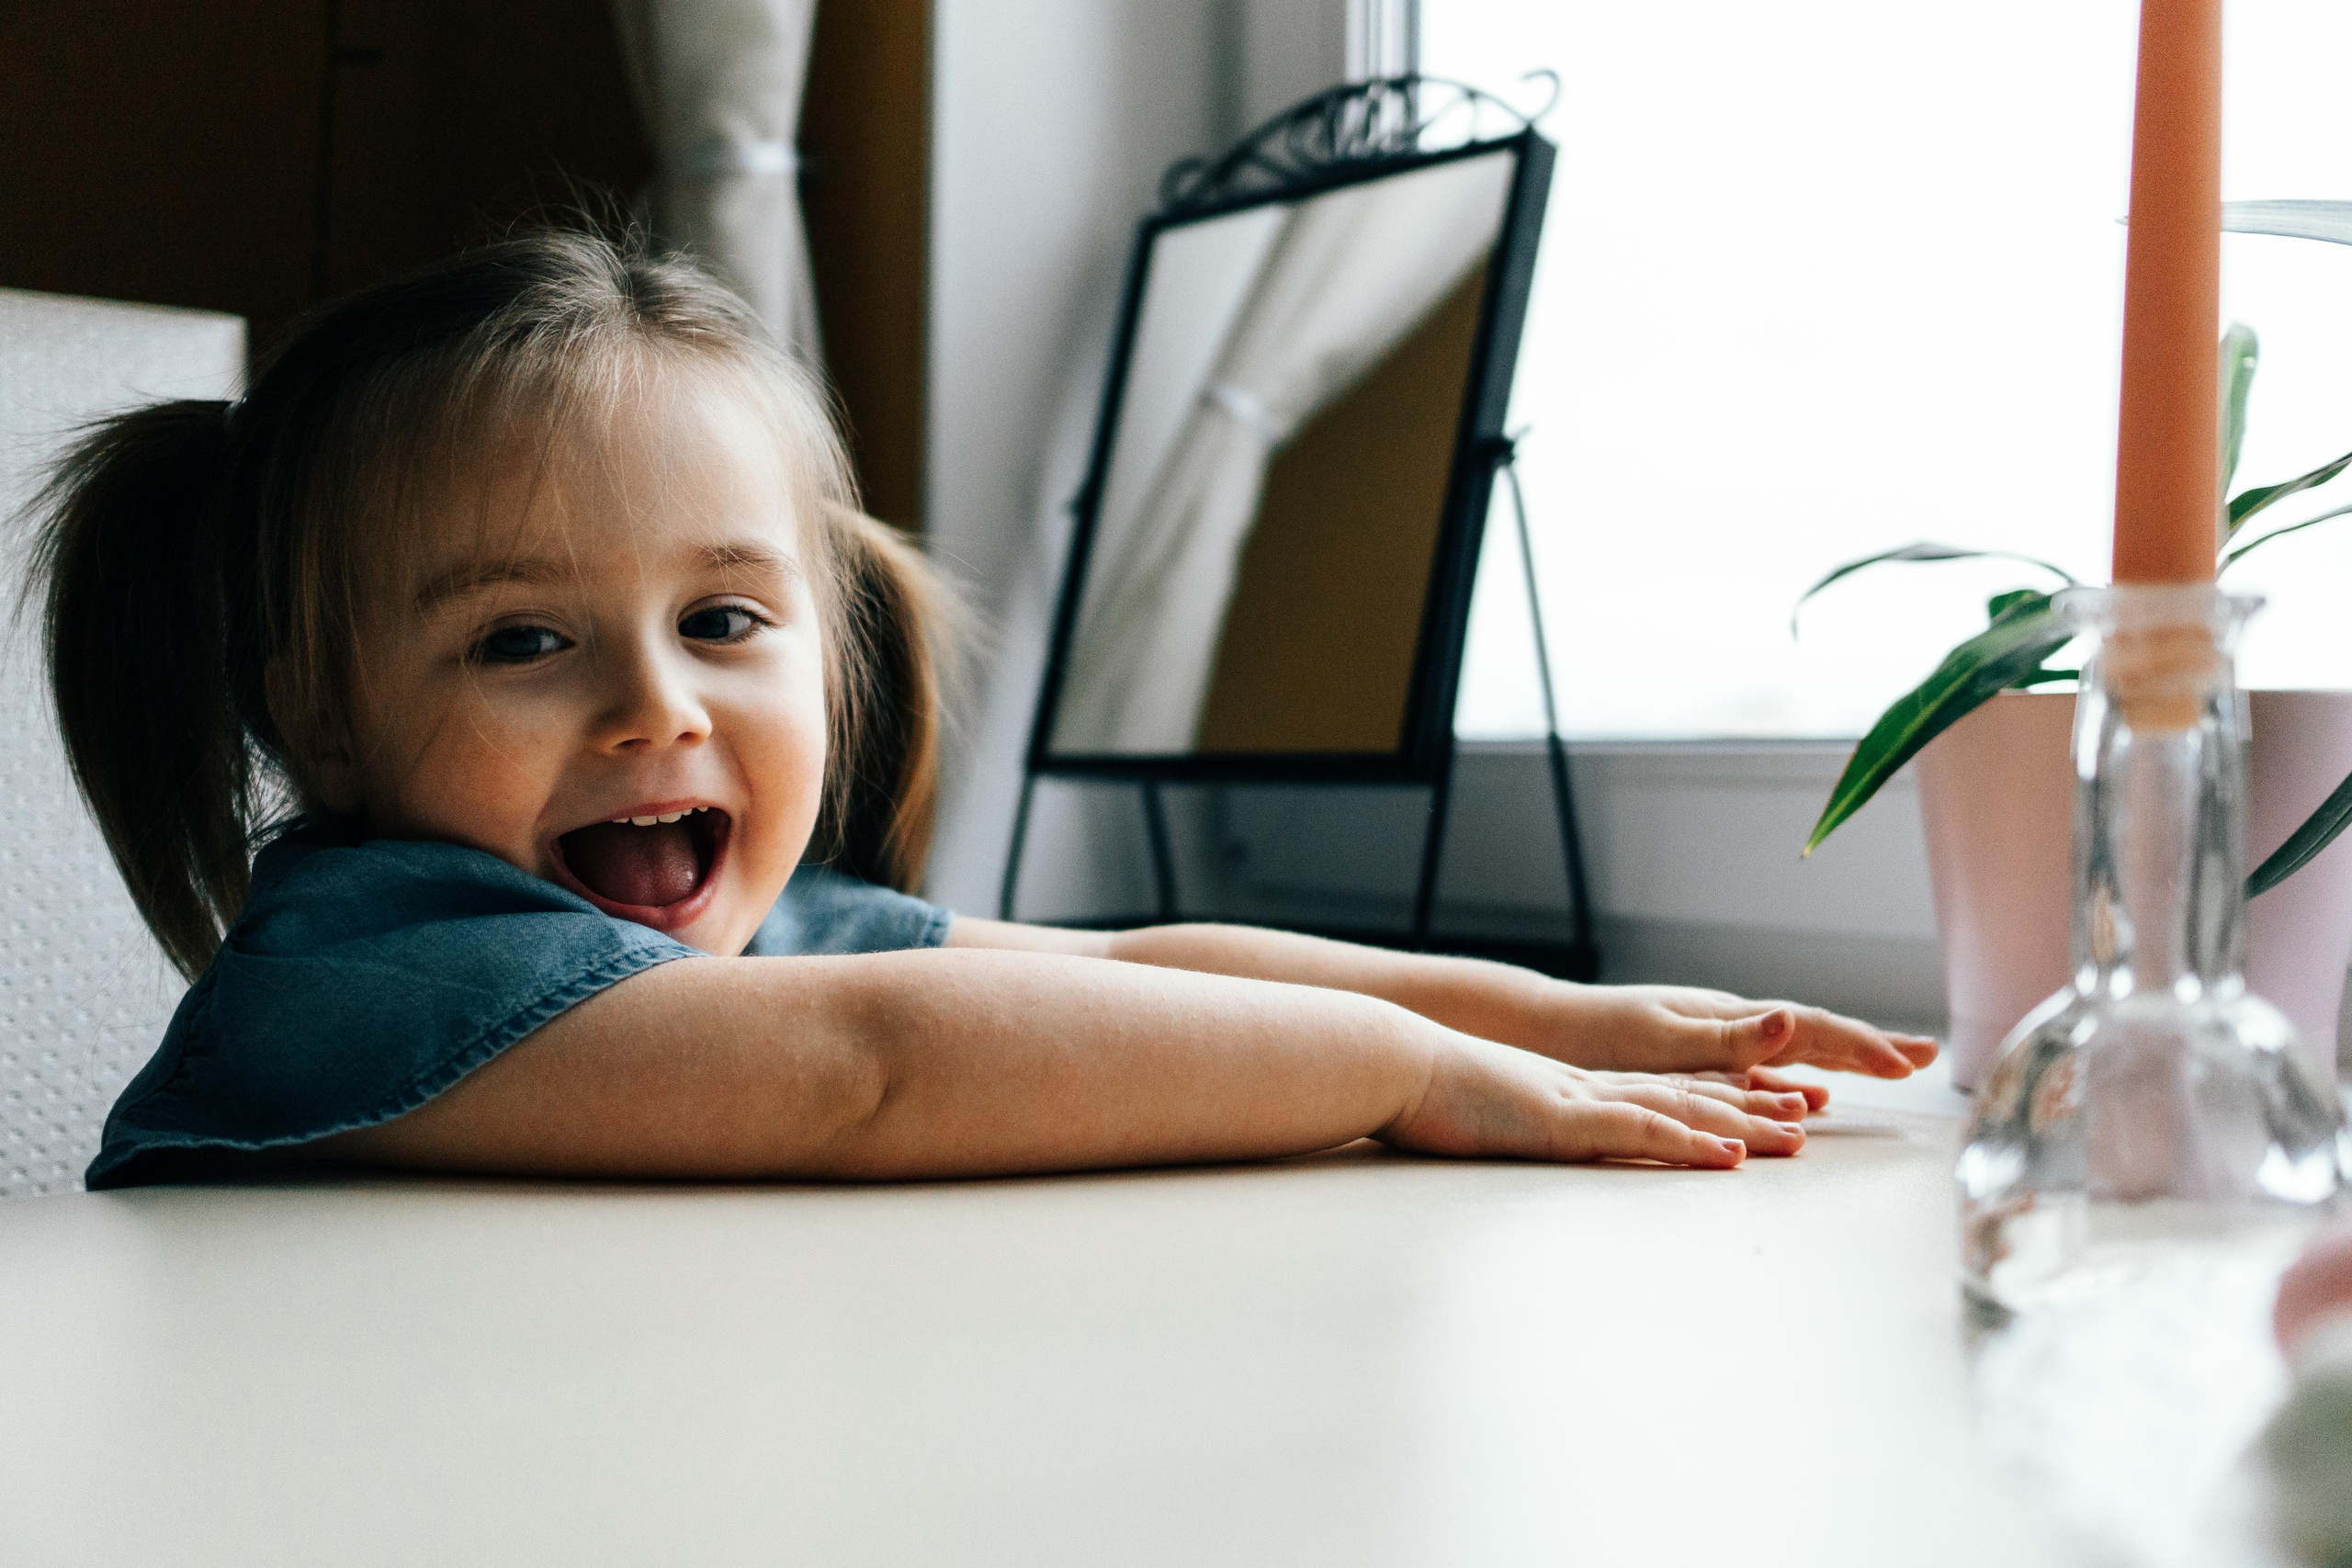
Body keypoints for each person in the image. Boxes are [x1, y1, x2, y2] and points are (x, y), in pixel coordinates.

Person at [31, 230, 1935, 1191]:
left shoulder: (732, 925)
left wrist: (1554, 1012)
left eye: (719, 617)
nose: (653, 706)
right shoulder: (371, 961)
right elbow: (881, 1059)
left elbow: (1116, 956)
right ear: (328, 720)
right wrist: (1409, 1075)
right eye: (522, 641)